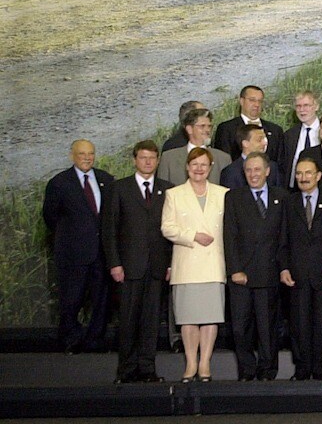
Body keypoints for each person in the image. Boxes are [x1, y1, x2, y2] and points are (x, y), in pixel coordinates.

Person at [101, 140, 172, 383]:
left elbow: (171, 231)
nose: (148, 162)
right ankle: (126, 370)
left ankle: (147, 369)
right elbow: (109, 229)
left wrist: (170, 264)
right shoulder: (119, 188)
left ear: (158, 160)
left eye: (152, 158)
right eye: (143, 158)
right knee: (128, 321)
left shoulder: (167, 189)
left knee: (151, 322)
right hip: (128, 268)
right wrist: (114, 263)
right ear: (134, 160)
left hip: (157, 267)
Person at [160, 147, 228, 383]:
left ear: (210, 168)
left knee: (210, 317)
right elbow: (167, 227)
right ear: (187, 167)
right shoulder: (174, 194)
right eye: (194, 164)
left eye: (203, 165)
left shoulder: (223, 194)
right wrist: (193, 236)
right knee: (188, 319)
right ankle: (190, 362)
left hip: (213, 264)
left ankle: (205, 362)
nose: (199, 169)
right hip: (187, 262)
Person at [42, 139, 114, 355]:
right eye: (82, 153)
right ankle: (71, 340)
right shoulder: (59, 183)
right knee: (72, 299)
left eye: (91, 153)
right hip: (73, 254)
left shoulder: (106, 179)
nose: (87, 157)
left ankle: (95, 340)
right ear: (72, 155)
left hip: (102, 253)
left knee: (102, 300)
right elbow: (50, 217)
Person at [223, 151, 287, 380]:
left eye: (257, 169)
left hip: (269, 273)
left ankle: (268, 371)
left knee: (267, 327)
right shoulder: (234, 197)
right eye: (248, 170)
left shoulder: (282, 196)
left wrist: (283, 268)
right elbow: (229, 237)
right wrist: (235, 270)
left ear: (267, 171)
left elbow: (284, 237)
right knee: (241, 328)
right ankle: (247, 371)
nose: (253, 174)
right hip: (242, 274)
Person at [279, 156, 322, 380]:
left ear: (318, 176)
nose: (303, 178)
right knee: (299, 324)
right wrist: (284, 268)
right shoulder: (289, 202)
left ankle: (320, 370)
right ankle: (302, 368)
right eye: (299, 173)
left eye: (308, 173)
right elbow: (282, 238)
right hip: (297, 274)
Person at [158, 108, 232, 186]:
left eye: (209, 126)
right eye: (202, 126)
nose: (207, 130)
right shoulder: (169, 158)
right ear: (189, 129)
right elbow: (161, 189)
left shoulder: (223, 159)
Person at [214, 85, 284, 164]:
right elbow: (223, 161)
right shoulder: (226, 129)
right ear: (241, 101)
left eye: (260, 101)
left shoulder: (275, 130)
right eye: (252, 100)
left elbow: (280, 162)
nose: (256, 104)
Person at [220, 123, 283, 190]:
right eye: (259, 140)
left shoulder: (273, 167)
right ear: (245, 143)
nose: (264, 143)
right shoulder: (230, 172)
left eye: (264, 139)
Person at [281, 90, 321, 187]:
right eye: (298, 106)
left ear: (316, 106)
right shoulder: (289, 135)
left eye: (306, 105)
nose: (302, 110)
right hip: (294, 191)